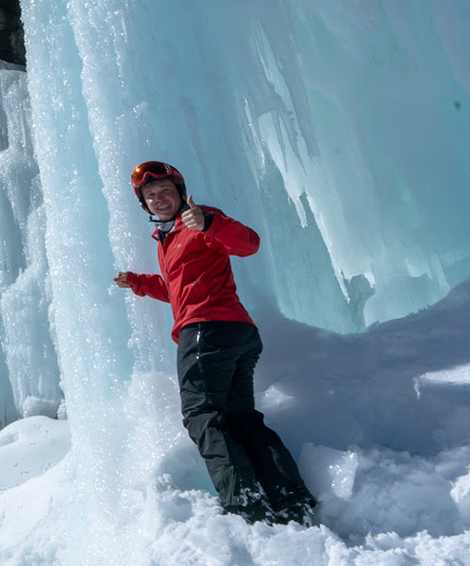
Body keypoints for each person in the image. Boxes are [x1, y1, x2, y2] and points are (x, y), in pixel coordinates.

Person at [112, 160, 317, 525]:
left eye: (166, 192)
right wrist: (141, 284)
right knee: (240, 418)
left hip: (207, 332)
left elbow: (249, 244)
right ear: (144, 205)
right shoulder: (170, 238)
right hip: (234, 332)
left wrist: (209, 223)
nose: (160, 199)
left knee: (201, 415)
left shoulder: (198, 220)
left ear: (180, 194)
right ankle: (291, 500)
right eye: (151, 195)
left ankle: (246, 505)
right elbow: (178, 289)